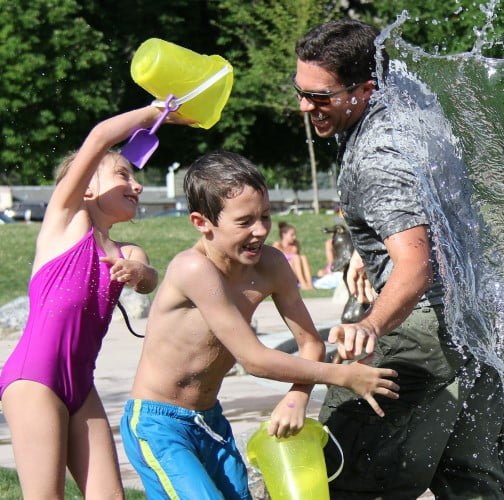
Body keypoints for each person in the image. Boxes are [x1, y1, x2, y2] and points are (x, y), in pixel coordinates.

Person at [295, 19, 504, 498]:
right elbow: (426, 217)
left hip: (418, 330)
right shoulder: (412, 101)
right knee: (473, 485)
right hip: (474, 322)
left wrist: (371, 325)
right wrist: (367, 248)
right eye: (300, 90)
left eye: (320, 96)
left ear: (366, 88)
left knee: (339, 474)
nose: (305, 106)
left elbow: (414, 266)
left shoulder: (377, 158)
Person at [120, 151, 399, 499]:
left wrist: (298, 396)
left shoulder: (271, 265)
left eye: (265, 216)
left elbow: (310, 343)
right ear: (201, 222)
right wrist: (344, 376)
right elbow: (253, 359)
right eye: (244, 221)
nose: (261, 230)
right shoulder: (192, 269)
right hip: (159, 424)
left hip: (210, 420)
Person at [0, 106, 168, 498]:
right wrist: (153, 112)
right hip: (34, 379)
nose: (137, 185)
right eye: (124, 175)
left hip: (81, 384)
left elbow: (149, 279)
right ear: (87, 188)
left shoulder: (128, 249)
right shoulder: (66, 222)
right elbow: (98, 139)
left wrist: (137, 273)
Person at [273, 221, 314, 290]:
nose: (294, 237)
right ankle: (303, 284)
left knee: (303, 257)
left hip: (295, 274)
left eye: (295, 235)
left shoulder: (295, 245)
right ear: (284, 235)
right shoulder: (277, 245)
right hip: (283, 273)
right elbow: (275, 263)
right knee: (296, 257)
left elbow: (299, 263)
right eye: (292, 235)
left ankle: (309, 284)